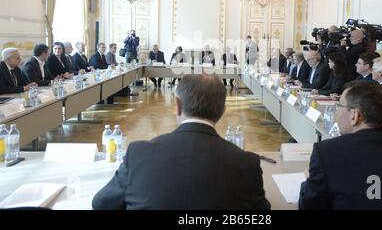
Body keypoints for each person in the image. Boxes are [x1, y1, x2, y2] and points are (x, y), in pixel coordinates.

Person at [92, 74, 271, 210]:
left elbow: (101, 203)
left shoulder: (138, 153)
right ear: (223, 110)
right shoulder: (247, 163)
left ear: (177, 105)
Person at [299, 81, 382, 210]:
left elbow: (309, 205)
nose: (336, 114)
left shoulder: (326, 153)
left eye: (339, 106)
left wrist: (308, 181)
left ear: (355, 115)